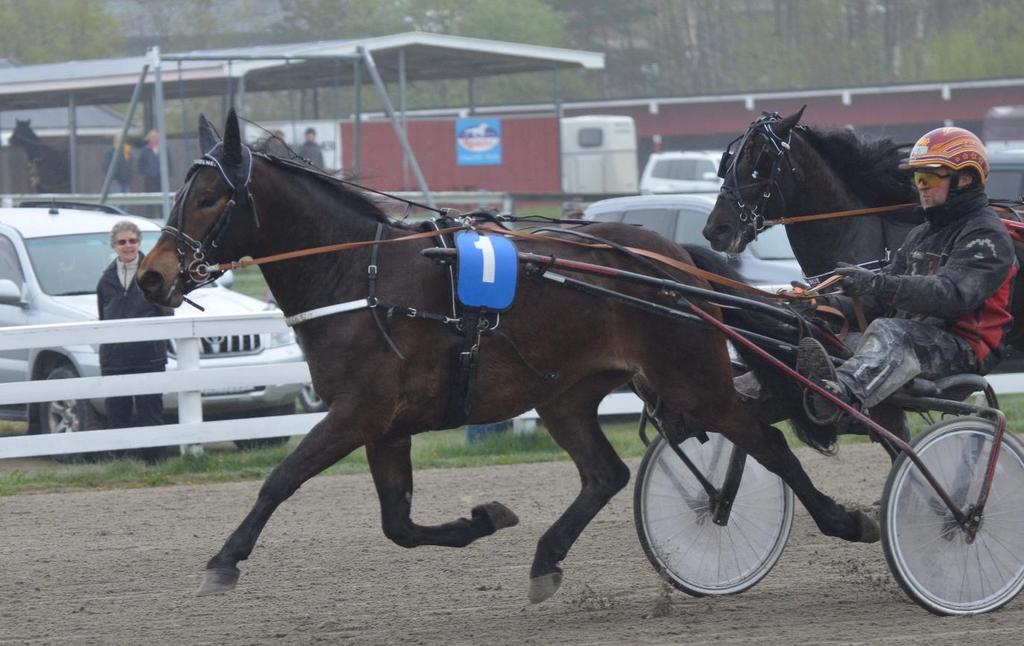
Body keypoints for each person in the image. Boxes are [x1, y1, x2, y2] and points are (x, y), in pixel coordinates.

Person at [797, 126, 1017, 426]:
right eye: (917, 178)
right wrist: (820, 305)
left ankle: (836, 398)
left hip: (963, 348)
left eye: (929, 177)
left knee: (891, 332)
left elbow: (952, 295)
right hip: (915, 336)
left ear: (964, 179)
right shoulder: (921, 234)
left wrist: (878, 282)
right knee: (814, 326)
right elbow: (878, 302)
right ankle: (756, 392)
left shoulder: (986, 235)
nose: (921, 187)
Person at [97, 221, 174, 462]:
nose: (128, 246)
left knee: (150, 412)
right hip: (115, 359)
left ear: (139, 243)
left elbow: (166, 311)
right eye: (122, 242)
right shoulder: (105, 280)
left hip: (148, 357)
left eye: (132, 241)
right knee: (116, 413)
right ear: (114, 246)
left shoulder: (153, 274)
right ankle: (117, 464)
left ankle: (154, 462)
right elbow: (103, 316)